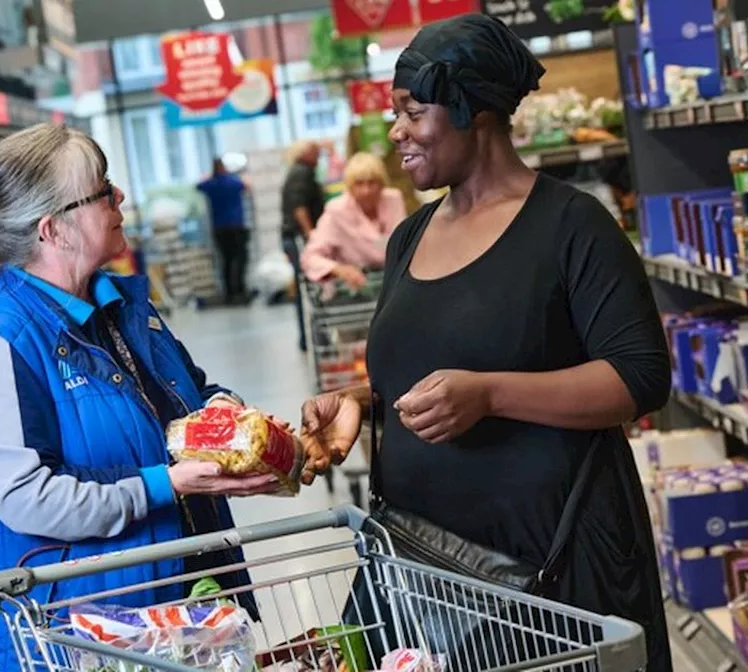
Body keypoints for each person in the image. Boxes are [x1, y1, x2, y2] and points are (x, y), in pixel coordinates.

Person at [299, 15, 673, 672]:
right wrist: (363, 401)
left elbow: (639, 377)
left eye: (414, 112)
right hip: (426, 575)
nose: (397, 132)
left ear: (472, 109)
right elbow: (426, 369)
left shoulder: (571, 227)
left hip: (549, 573)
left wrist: (491, 394)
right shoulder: (409, 238)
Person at [0, 124, 297, 670]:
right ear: (54, 230)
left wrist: (225, 415)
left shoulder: (122, 307)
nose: (119, 196)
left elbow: (192, 394)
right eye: (102, 189)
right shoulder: (0, 346)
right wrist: (166, 484)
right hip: (72, 640)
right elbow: (28, 499)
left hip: (168, 617)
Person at [300, 152, 406, 289]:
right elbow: (310, 258)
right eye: (359, 184)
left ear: (382, 183)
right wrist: (339, 269)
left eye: (372, 182)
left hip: (395, 282)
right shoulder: (337, 211)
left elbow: (401, 242)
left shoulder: (393, 199)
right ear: (349, 186)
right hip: (356, 289)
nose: (366, 191)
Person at [280, 140, 325, 351]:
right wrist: (311, 234)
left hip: (292, 236)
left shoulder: (296, 171)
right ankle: (309, 339)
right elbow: (299, 208)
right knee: (307, 289)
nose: (319, 155)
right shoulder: (302, 173)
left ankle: (307, 338)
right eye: (315, 151)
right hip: (298, 237)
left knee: (303, 289)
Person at [196, 158, 251, 303]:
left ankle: (229, 293)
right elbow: (246, 186)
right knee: (240, 259)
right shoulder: (233, 181)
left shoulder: (211, 184)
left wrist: (209, 176)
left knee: (225, 260)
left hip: (219, 228)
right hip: (236, 225)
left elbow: (198, 186)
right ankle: (240, 290)